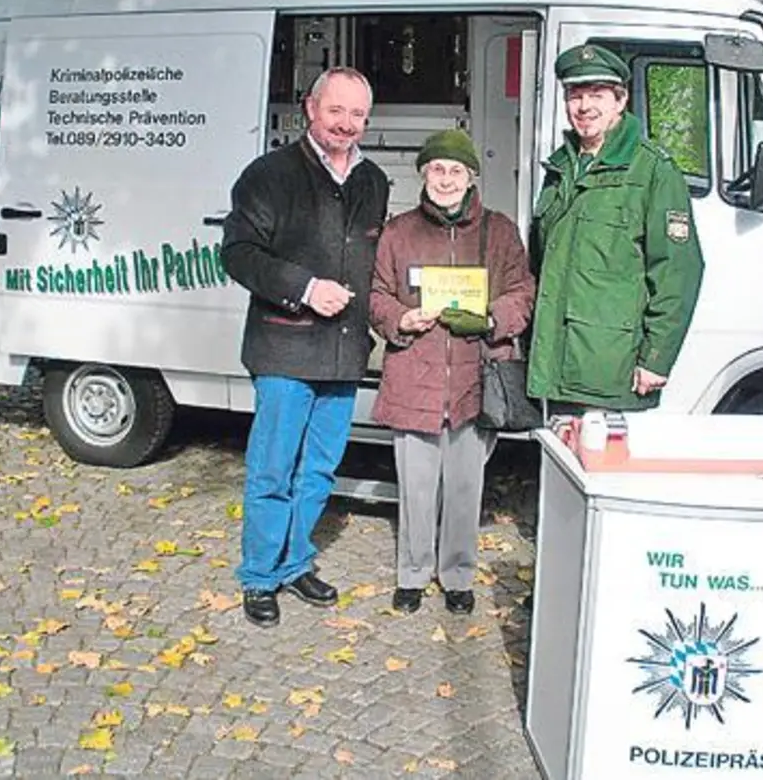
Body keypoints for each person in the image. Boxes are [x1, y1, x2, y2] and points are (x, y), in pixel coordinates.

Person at [220, 67, 391, 628]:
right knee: (273, 468)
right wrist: (304, 288)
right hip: (284, 348)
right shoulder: (268, 175)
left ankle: (294, 563)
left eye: (358, 114)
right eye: (336, 111)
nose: (347, 124)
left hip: (343, 351)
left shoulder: (375, 182)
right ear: (309, 109)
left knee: (319, 470)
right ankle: (260, 576)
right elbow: (239, 254)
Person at [369, 129, 536, 615]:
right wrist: (400, 318)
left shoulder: (499, 232)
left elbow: (522, 294)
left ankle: (458, 575)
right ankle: (413, 574)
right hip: (414, 376)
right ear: (424, 174)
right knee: (416, 486)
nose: (446, 179)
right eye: (437, 169)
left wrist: (490, 319)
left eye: (455, 170)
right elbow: (378, 294)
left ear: (470, 177)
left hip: (474, 380)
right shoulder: (398, 232)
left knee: (466, 486)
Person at [526, 43, 704, 412]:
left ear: (620, 101)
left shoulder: (653, 170)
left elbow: (677, 272)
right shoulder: (561, 169)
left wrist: (655, 358)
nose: (584, 106)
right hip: (557, 367)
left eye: (597, 95)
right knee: (558, 465)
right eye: (575, 95)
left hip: (610, 369)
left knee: (601, 467)